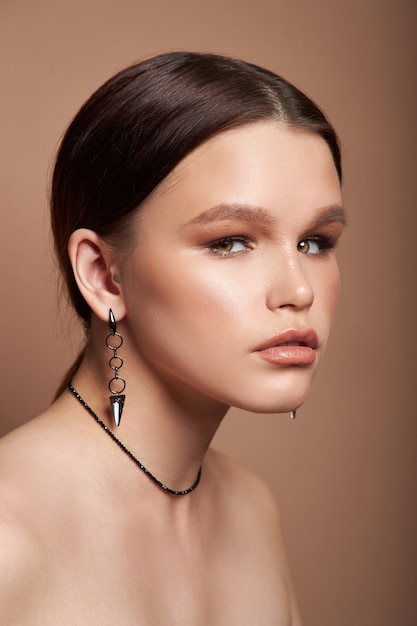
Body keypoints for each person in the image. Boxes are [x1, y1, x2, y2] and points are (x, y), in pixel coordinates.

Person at [0, 51, 345, 624]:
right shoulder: (7, 536)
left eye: (315, 241)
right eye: (230, 241)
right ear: (104, 275)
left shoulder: (251, 509)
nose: (298, 290)